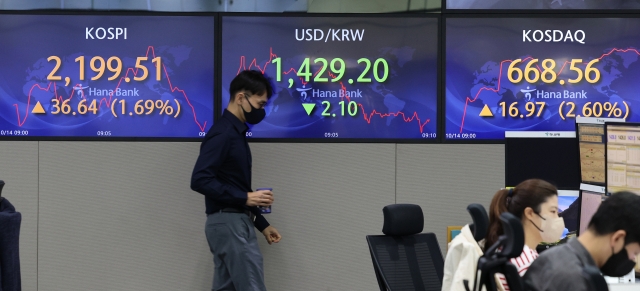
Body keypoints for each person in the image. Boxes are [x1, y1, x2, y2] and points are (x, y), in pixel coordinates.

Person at [191, 70, 282, 291]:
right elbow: (199, 179)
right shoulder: (224, 134)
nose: (262, 111)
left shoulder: (234, 134)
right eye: (260, 104)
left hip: (226, 223)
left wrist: (262, 223)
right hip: (230, 225)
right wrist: (246, 197)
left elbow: (234, 185)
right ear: (241, 98)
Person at [523, 191, 640, 291]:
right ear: (617, 238)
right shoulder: (577, 281)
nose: (633, 259)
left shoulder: (551, 257)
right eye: (634, 253)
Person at [484, 179, 564, 291]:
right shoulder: (528, 267)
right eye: (553, 211)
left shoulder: (506, 250)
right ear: (530, 213)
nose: (558, 218)